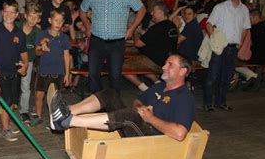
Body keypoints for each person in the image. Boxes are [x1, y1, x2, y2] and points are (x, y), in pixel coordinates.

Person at [48, 53, 195, 142]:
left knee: (130, 116)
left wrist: (150, 118)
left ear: (183, 71)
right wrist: (140, 108)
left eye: (170, 65)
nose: (163, 67)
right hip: (137, 127)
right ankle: (66, 111)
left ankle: (67, 121)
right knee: (110, 93)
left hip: (152, 140)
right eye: (165, 63)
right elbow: (138, 101)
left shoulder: (184, 98)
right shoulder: (159, 86)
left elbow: (180, 133)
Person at [80, 0, 146, 93]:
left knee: (115, 77)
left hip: (117, 43)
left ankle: (113, 110)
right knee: (93, 75)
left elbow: (142, 10)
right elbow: (82, 11)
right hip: (96, 41)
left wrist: (131, 29)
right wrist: (87, 26)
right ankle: (96, 107)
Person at [203, 0, 250, 112]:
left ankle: (221, 101)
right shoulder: (220, 7)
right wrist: (214, 39)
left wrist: (240, 43)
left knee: (226, 77)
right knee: (213, 76)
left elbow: (245, 28)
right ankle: (208, 103)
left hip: (233, 47)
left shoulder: (244, 10)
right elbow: (209, 23)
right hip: (220, 47)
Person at [0, 0, 28, 141]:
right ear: (2, 13)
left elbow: (23, 51)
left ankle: (7, 123)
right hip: (1, 73)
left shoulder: (19, 32)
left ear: (17, 14)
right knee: (6, 100)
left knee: (12, 101)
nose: (8, 15)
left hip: (14, 72)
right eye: (6, 11)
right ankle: (5, 129)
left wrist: (25, 65)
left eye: (12, 12)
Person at [123, 2, 179, 91]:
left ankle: (144, 88)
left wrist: (133, 31)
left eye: (154, 11)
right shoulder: (171, 25)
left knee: (120, 66)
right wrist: (141, 32)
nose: (151, 13)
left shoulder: (157, 27)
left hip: (153, 60)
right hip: (166, 60)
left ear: (161, 13)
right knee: (140, 64)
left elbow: (138, 43)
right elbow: (156, 39)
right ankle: (158, 84)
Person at [32, 9, 71, 126]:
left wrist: (67, 74)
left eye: (61, 21)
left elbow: (66, 55)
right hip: (43, 71)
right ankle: (38, 116)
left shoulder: (64, 38)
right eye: (56, 20)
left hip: (57, 72)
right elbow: (36, 52)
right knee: (39, 94)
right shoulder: (42, 35)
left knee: (55, 98)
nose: (58, 23)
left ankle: (54, 119)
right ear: (50, 20)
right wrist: (41, 48)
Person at [16, 2, 42, 123]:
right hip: (13, 61)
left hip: (28, 62)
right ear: (25, 15)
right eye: (31, 16)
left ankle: (24, 111)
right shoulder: (16, 26)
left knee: (26, 87)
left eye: (36, 17)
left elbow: (38, 51)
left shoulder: (37, 32)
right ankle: (4, 110)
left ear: (39, 19)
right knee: (9, 86)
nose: (33, 19)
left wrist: (43, 48)